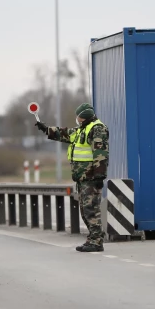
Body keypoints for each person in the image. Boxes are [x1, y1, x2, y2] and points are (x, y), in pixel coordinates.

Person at [36, 103, 109, 252]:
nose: (76, 118)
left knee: (91, 209)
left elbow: (100, 153)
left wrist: (99, 176)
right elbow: (66, 133)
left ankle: (96, 241)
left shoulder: (97, 129)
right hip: (82, 177)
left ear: (84, 117)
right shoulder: (83, 129)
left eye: (78, 116)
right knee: (85, 209)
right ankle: (93, 239)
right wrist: (46, 129)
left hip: (91, 178)